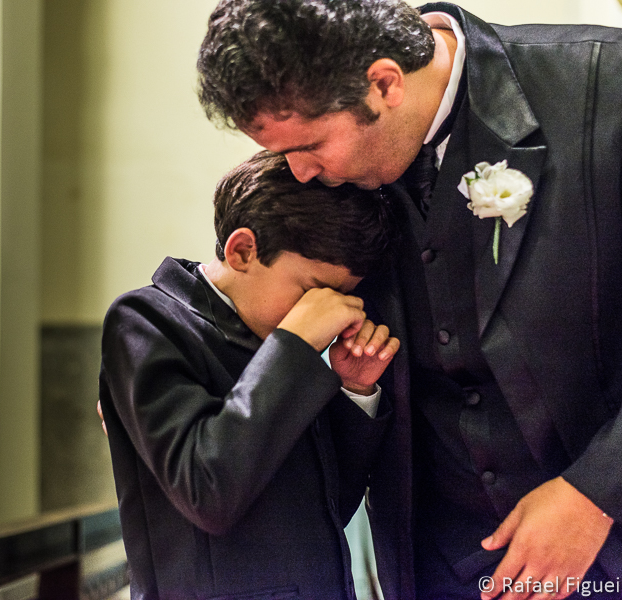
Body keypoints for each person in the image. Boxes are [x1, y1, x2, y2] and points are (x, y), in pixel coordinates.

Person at [196, 2, 622, 599]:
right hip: (443, 566)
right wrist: (169, 358)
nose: (299, 173)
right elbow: (255, 278)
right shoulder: (322, 171)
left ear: (384, 84)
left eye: (311, 145)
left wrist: (599, 493)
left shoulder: (617, 87)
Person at [98, 150, 400, 600]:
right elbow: (207, 492)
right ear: (243, 250)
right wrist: (295, 344)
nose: (329, 314)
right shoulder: (145, 320)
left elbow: (325, 509)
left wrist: (355, 390)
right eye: (314, 292)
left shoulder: (277, 339)